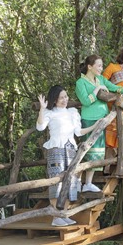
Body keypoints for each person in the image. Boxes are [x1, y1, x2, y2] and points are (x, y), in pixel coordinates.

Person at [37, 85, 102, 225]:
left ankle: (64, 214)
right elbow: (40, 127)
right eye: (61, 97)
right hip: (56, 149)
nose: (64, 100)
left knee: (71, 181)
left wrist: (95, 125)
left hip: (70, 149)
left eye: (66, 96)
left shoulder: (72, 112)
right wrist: (42, 109)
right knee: (56, 182)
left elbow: (78, 132)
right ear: (54, 100)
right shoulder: (50, 113)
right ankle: (56, 217)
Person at [75, 55, 123, 192]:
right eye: (98, 65)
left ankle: (88, 183)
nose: (101, 68)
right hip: (89, 119)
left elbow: (115, 88)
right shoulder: (80, 83)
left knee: (97, 152)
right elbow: (85, 101)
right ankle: (77, 183)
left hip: (103, 120)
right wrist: (97, 90)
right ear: (89, 66)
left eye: (101, 65)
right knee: (86, 151)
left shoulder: (101, 79)